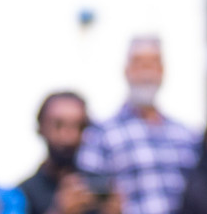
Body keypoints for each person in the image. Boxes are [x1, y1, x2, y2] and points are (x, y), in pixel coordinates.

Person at [78, 36, 200, 214]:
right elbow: (87, 198)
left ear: (162, 71)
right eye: (138, 64)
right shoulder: (101, 134)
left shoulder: (186, 135)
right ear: (126, 70)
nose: (146, 73)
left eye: (152, 64)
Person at [19, 91, 115, 214]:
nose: (68, 136)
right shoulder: (22, 194)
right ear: (41, 128)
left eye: (78, 126)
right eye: (58, 125)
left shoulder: (98, 187)